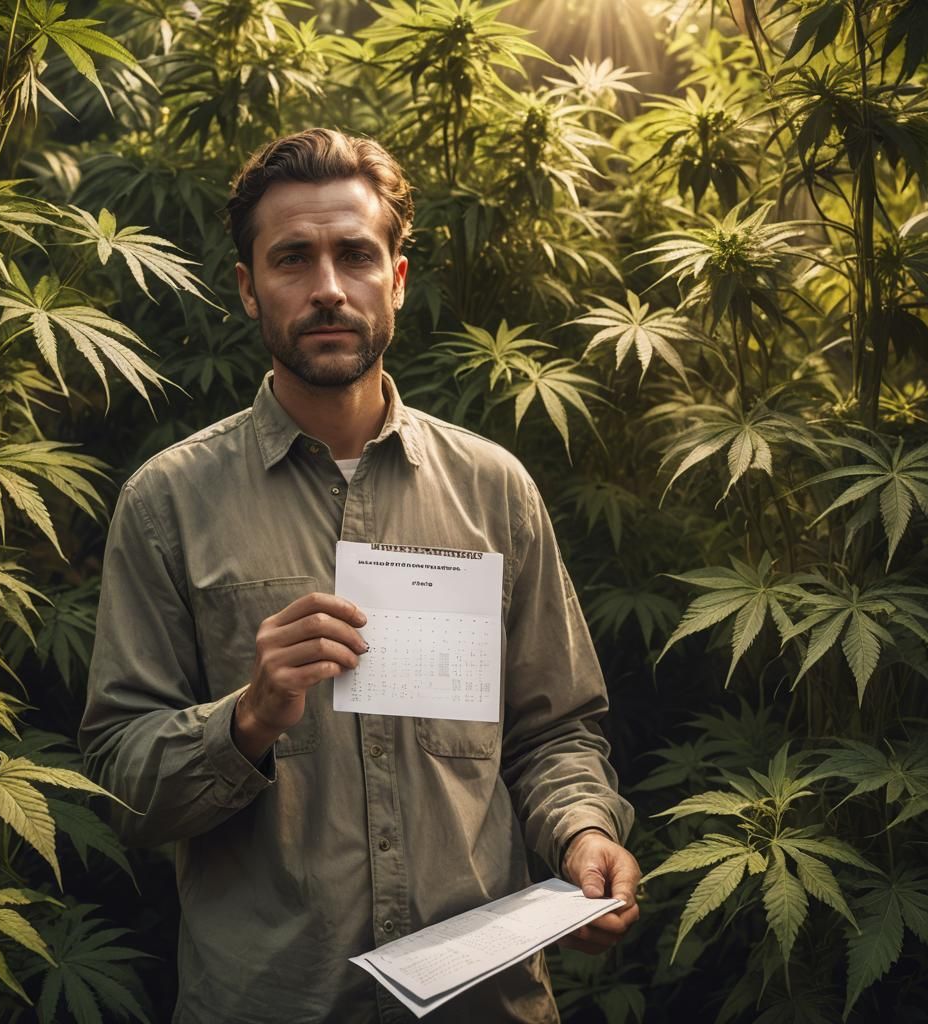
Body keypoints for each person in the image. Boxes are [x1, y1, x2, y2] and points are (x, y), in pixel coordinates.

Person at [80, 128, 639, 1024]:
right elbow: (118, 779)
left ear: (399, 279)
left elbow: (556, 730)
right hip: (272, 1003)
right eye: (293, 258)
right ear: (248, 288)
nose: (329, 288)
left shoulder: (493, 490)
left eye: (356, 255)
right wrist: (247, 718)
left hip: (483, 1001)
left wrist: (583, 831)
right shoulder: (166, 503)